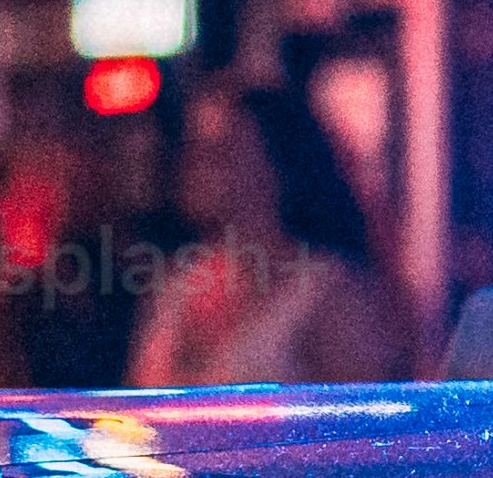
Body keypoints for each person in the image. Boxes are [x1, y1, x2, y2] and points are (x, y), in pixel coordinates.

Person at [129, 67, 421, 389]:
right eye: (195, 147)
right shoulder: (178, 285)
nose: (194, 163)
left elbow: (360, 423)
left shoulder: (325, 292)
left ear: (275, 166)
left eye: (221, 149)